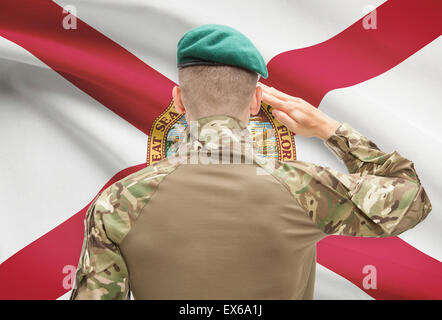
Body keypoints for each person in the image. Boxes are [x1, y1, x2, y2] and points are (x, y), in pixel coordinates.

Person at [70, 24, 432, 300]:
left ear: (178, 101)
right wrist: (330, 130)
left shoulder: (117, 203)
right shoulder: (305, 188)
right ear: (257, 101)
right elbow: (412, 198)